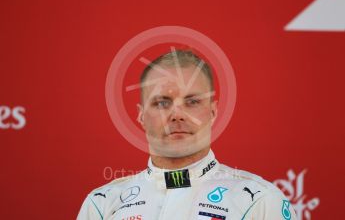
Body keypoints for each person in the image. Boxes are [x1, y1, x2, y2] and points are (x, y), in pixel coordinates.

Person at [77, 50, 297, 220]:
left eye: (192, 102)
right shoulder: (102, 204)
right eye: (162, 102)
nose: (177, 115)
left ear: (213, 111)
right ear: (142, 115)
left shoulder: (259, 200)